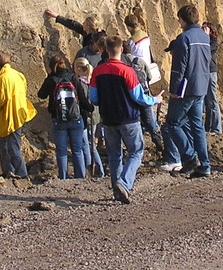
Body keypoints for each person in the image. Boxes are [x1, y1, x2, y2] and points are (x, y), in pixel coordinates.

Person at [88, 35, 161, 203]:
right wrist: (155, 100)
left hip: (108, 119)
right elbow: (138, 97)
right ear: (121, 49)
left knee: (114, 155)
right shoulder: (127, 71)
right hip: (128, 118)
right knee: (136, 152)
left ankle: (117, 189)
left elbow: (94, 98)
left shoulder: (97, 71)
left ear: (106, 50)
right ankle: (124, 183)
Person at [163, 5, 212, 178]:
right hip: (201, 86)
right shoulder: (205, 38)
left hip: (186, 88)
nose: (178, 21)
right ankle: (204, 165)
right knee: (197, 125)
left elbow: (179, 67)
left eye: (179, 18)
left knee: (172, 123)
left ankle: (190, 157)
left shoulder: (184, 38)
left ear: (184, 19)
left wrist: (175, 89)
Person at [37, 55, 91, 179]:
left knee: (61, 153)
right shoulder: (73, 77)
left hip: (59, 119)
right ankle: (80, 177)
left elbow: (41, 95)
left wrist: (49, 77)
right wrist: (90, 108)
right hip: (75, 119)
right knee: (77, 151)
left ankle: (63, 178)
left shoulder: (52, 80)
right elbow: (82, 99)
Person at [0, 51, 36, 178]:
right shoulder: (17, 74)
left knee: (10, 146)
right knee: (7, 144)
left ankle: (20, 173)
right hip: (19, 112)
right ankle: (10, 172)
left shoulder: (3, 78)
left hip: (9, 114)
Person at [74, 57, 104, 178]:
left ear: (78, 69)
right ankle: (99, 170)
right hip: (96, 116)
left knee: (86, 144)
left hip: (86, 117)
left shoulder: (80, 83)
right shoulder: (93, 80)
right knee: (91, 144)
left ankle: (92, 169)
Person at [202, 22, 222, 134]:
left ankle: (216, 128)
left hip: (210, 73)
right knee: (207, 102)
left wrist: (205, 36)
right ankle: (208, 127)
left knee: (212, 100)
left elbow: (206, 51)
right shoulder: (204, 41)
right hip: (204, 72)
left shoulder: (214, 43)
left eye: (205, 29)